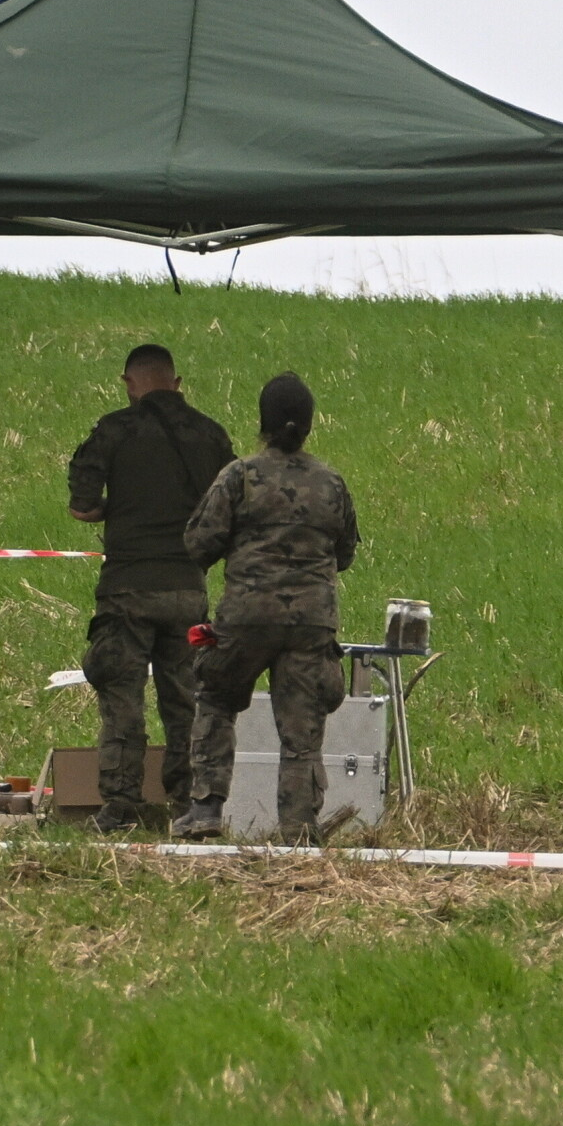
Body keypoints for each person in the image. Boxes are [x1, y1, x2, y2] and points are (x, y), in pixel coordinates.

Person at [176, 372, 360, 843]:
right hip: (311, 623)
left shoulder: (240, 475)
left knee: (216, 697)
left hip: (246, 616)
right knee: (302, 731)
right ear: (311, 424)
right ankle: (299, 828)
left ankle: (205, 810)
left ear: (263, 422)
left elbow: (199, 543)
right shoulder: (332, 482)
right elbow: (344, 555)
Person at [67, 343, 236, 831]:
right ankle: (189, 802)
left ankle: (120, 805)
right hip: (188, 590)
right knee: (185, 699)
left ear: (129, 383)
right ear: (176, 383)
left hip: (127, 588)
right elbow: (229, 512)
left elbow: (81, 504)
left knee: (122, 696)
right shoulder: (211, 435)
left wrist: (111, 511)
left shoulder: (115, 430)